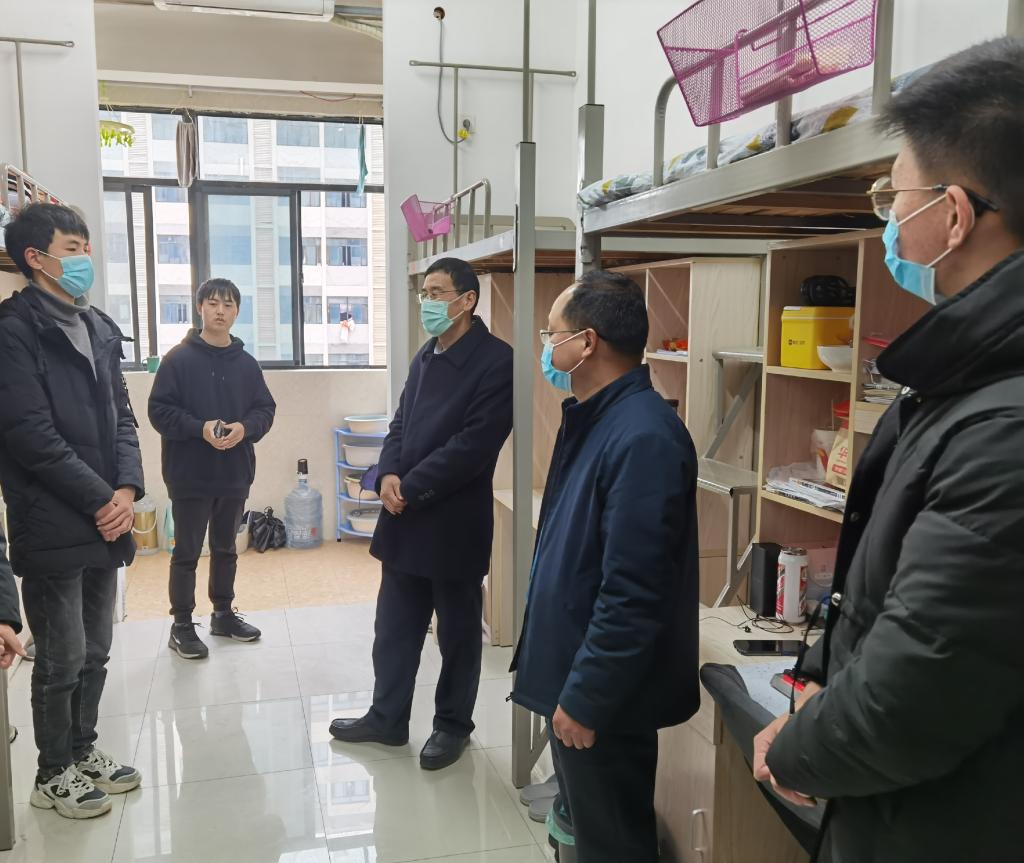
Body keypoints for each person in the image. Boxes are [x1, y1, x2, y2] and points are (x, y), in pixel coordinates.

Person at [754, 37, 1024, 863]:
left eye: (891, 195)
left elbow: (919, 689)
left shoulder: (1002, 426)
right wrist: (817, 680)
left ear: (952, 215)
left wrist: (796, 749)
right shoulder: (962, 381)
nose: (886, 219)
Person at [510, 270, 700, 863]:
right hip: (579, 676)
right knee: (588, 834)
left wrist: (587, 696)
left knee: (612, 844)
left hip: (605, 696)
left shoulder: (643, 436)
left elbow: (633, 590)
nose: (547, 346)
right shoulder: (597, 418)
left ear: (587, 342)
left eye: (552, 334)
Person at [330, 257, 513, 771]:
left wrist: (410, 486)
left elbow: (474, 445)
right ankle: (387, 718)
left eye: (436, 293)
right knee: (393, 628)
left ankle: (452, 726)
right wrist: (387, 473)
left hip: (453, 519)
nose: (427, 303)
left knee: (457, 634)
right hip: (405, 514)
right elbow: (400, 422)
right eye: (424, 293)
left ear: (467, 300)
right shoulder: (427, 354)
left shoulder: (498, 362)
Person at [0, 203, 144, 819]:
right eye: (73, 247)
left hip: (106, 516)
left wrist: (127, 491)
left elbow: (123, 419)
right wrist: (101, 498)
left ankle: (82, 750)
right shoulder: (14, 330)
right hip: (52, 516)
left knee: (96, 650)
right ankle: (52, 772)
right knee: (60, 657)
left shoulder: (98, 325)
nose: (86, 258)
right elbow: (30, 435)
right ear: (37, 258)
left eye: (87, 246)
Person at [149, 277, 276, 660]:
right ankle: (181, 625)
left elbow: (265, 409)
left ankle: (223, 614)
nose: (221, 311)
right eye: (214, 303)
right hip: (189, 474)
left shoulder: (246, 364)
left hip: (234, 473)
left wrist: (245, 428)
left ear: (237, 312)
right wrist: (199, 428)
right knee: (187, 552)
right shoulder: (178, 359)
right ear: (200, 308)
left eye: (229, 304)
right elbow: (159, 411)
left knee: (225, 548)